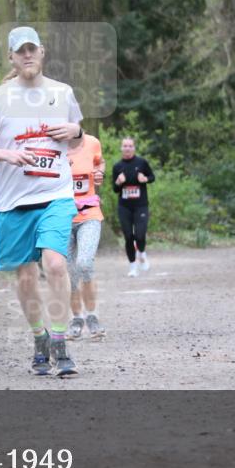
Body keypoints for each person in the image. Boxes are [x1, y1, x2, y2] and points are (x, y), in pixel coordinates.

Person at [0, 26, 83, 377]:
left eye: (33, 49)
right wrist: (6, 155)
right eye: (20, 51)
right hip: (14, 202)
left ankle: (60, 343)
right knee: (27, 277)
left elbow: (78, 140)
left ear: (42, 52)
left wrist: (76, 132)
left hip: (55, 196)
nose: (27, 55)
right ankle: (40, 339)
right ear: (12, 58)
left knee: (56, 265)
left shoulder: (63, 94)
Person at [66, 133, 107, 341]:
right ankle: (76, 319)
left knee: (84, 263)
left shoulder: (92, 142)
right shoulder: (50, 145)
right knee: (70, 273)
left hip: (89, 214)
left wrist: (99, 172)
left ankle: (92, 315)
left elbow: (100, 162)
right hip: (62, 218)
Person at [112, 136, 155, 277]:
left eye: (130, 146)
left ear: (134, 148)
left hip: (140, 205)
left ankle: (141, 253)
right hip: (124, 207)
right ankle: (132, 267)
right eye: (125, 146)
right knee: (128, 236)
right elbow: (115, 189)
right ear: (121, 148)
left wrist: (145, 179)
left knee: (140, 234)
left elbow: (152, 177)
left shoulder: (141, 163)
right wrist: (118, 182)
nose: (127, 148)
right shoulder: (117, 167)